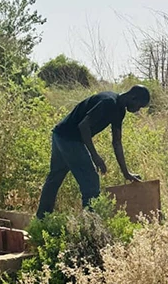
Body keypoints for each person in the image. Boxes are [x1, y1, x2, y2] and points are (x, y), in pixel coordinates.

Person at [35, 85, 151, 219]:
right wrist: (95, 156)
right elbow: (83, 126)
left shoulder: (119, 111)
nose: (138, 110)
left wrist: (126, 172)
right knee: (91, 182)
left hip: (60, 135)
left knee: (55, 178)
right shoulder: (108, 102)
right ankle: (90, 227)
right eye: (139, 105)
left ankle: (41, 219)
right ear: (133, 97)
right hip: (69, 138)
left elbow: (117, 142)